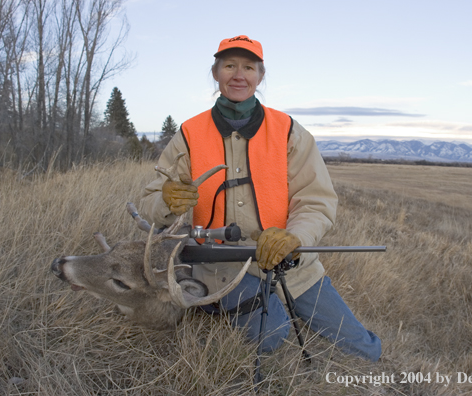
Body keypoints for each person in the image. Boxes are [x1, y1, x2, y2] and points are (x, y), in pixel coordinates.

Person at [139, 35, 381, 361]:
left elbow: (317, 201)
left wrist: (294, 237)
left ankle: (266, 299)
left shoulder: (289, 131)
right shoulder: (189, 134)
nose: (239, 75)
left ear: (260, 76)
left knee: (364, 350)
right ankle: (217, 305)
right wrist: (167, 201)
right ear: (216, 73)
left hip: (290, 263)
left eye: (248, 67)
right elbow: (150, 203)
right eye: (230, 66)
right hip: (221, 266)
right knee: (271, 337)